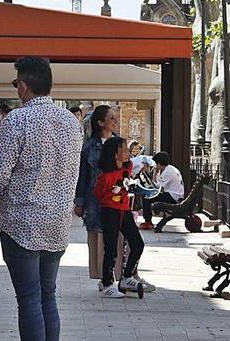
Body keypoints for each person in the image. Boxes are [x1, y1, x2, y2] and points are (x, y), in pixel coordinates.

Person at [0, 56, 83, 341]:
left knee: (28, 298)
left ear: (23, 86)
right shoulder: (71, 123)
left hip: (22, 221)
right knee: (47, 296)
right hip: (57, 223)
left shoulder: (18, 119)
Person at [93, 137, 147, 299]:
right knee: (110, 248)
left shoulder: (127, 167)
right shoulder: (106, 176)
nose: (127, 153)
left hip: (124, 210)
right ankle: (107, 283)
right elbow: (98, 193)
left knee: (137, 243)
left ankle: (127, 276)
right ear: (114, 154)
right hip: (110, 211)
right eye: (123, 149)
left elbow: (129, 177)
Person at [75, 105, 117, 283]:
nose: (115, 122)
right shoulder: (89, 147)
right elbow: (82, 176)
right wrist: (79, 202)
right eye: (111, 118)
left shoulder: (118, 143)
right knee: (97, 236)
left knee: (117, 237)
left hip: (116, 199)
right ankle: (103, 277)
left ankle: (121, 275)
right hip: (95, 201)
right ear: (101, 123)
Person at [139, 151, 184, 230]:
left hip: (173, 196)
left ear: (159, 163)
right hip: (173, 194)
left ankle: (148, 221)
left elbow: (157, 187)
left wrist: (154, 174)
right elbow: (156, 185)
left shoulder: (168, 172)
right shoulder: (169, 169)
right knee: (149, 196)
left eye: (156, 164)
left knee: (147, 197)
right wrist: (155, 173)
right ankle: (148, 220)